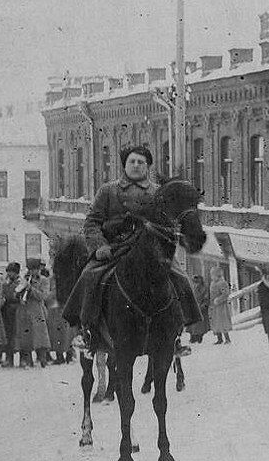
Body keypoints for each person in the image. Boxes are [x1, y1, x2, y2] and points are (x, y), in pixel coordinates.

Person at [62, 145, 201, 346]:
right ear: (124, 165)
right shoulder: (108, 190)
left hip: (151, 251)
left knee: (179, 276)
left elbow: (169, 222)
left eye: (141, 162)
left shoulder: (158, 192)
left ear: (148, 167)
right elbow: (91, 222)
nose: (136, 165)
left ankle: (178, 331)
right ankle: (87, 330)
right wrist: (99, 246)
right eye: (132, 162)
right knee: (90, 275)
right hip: (113, 249)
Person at [18, 258, 52, 367]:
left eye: (35, 269)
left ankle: (43, 359)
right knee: (27, 335)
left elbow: (43, 296)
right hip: (26, 310)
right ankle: (29, 361)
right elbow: (17, 293)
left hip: (38, 310)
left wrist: (31, 288)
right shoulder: (25, 279)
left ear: (39, 269)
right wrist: (20, 290)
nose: (33, 272)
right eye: (30, 269)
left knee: (40, 336)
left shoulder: (44, 280)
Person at [0, 262, 22, 367]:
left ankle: (23, 358)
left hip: (17, 310)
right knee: (8, 334)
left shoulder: (20, 282)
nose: (9, 274)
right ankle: (9, 359)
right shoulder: (6, 283)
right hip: (7, 311)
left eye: (11, 272)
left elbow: (17, 296)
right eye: (8, 272)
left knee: (18, 334)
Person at [208, 267, 232, 345]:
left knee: (223, 322)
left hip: (221, 307)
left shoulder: (222, 283)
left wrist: (218, 300)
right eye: (211, 275)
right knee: (215, 322)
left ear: (217, 275)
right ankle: (219, 339)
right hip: (214, 307)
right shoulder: (212, 283)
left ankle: (227, 339)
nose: (212, 277)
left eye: (213, 275)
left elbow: (226, 294)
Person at [187, 275, 210, 344]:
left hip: (201, 309)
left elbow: (206, 298)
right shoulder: (192, 287)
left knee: (200, 326)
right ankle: (192, 337)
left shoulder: (204, 288)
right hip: (193, 308)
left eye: (197, 281)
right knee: (192, 326)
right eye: (195, 281)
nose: (196, 283)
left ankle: (199, 337)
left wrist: (203, 305)